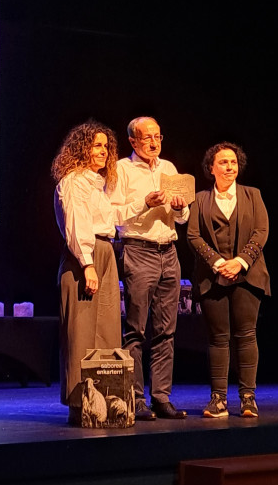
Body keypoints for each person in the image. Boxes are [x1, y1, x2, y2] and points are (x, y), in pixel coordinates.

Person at [107, 116, 189, 420]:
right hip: (139, 250)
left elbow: (182, 217)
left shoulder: (168, 168)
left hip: (169, 251)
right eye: (147, 138)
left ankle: (161, 397)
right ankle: (136, 398)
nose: (154, 143)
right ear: (132, 141)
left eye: (158, 137)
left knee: (166, 330)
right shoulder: (122, 170)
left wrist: (180, 208)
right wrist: (144, 203)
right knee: (136, 330)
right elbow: (113, 215)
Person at [187, 141, 270, 418]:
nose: (229, 167)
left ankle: (248, 398)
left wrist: (240, 261)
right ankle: (218, 399)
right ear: (211, 168)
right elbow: (193, 235)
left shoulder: (252, 195)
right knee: (218, 338)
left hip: (247, 274)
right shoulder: (200, 199)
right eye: (223, 162)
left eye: (233, 162)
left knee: (246, 335)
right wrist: (218, 262)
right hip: (212, 277)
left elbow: (261, 231)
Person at [52, 120, 122, 426]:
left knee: (107, 331)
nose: (103, 151)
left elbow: (113, 219)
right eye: (96, 145)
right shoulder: (74, 181)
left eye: (106, 146)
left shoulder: (98, 185)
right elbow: (76, 225)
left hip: (105, 252)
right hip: (84, 258)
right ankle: (79, 404)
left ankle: (103, 403)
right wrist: (88, 264)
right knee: (81, 335)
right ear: (81, 149)